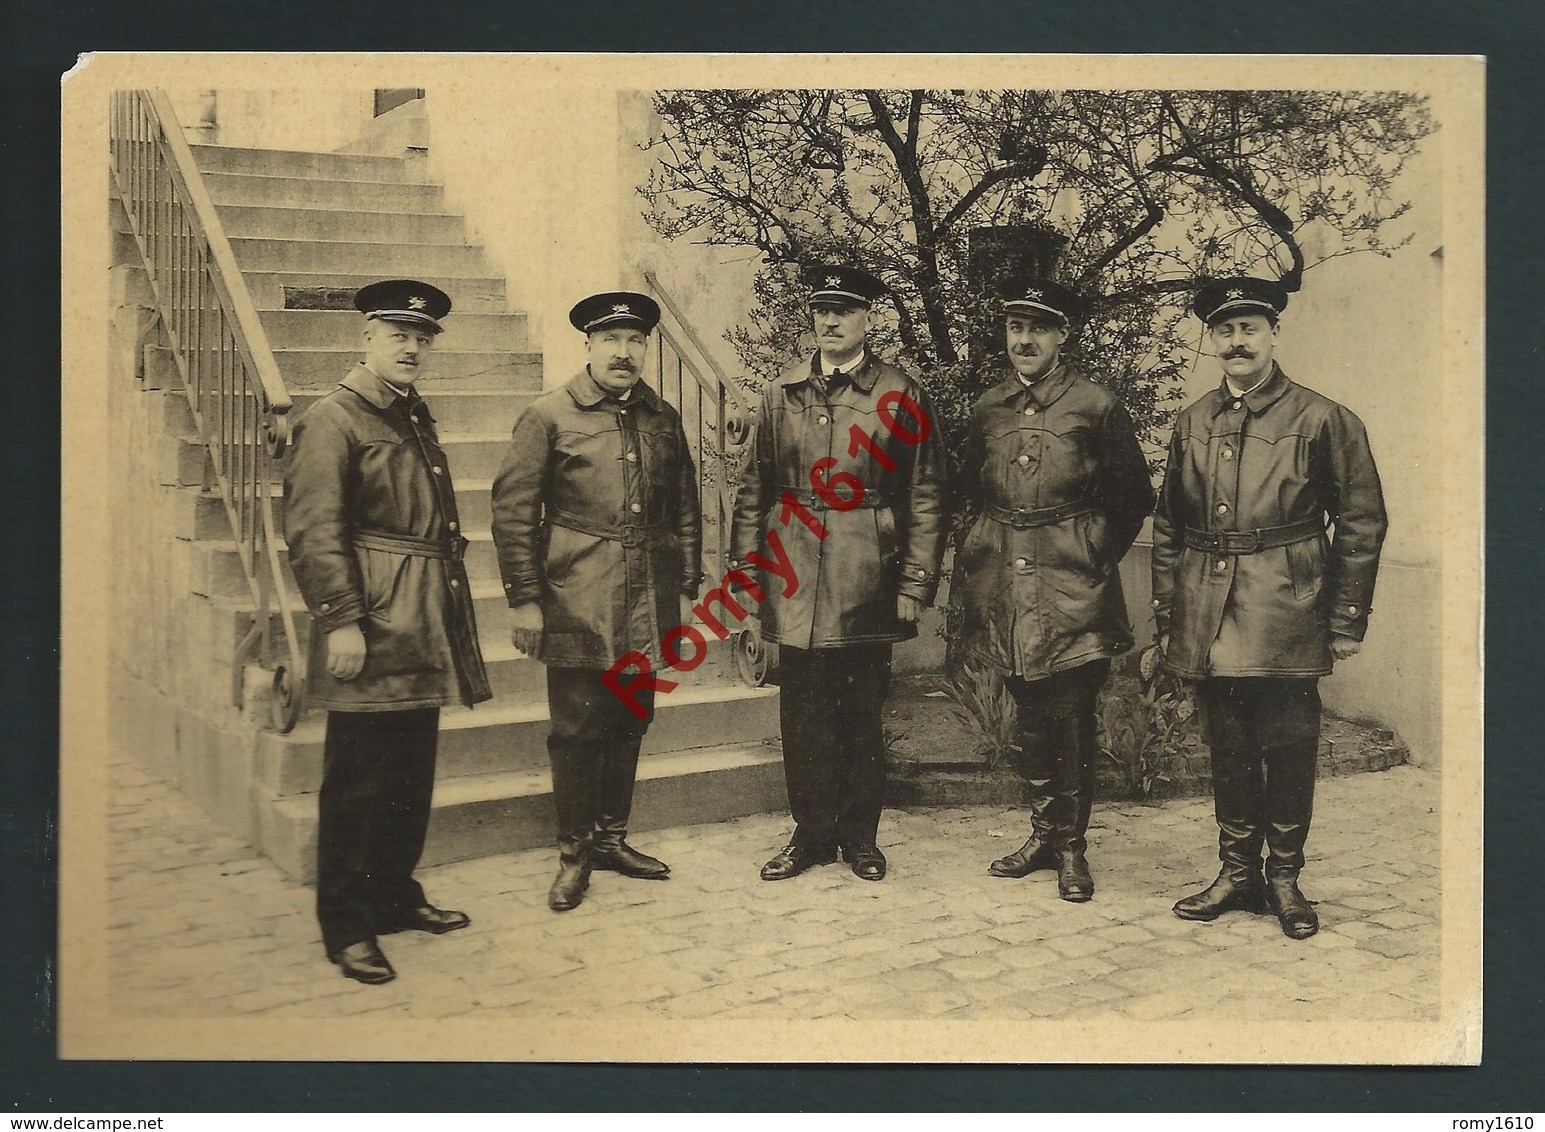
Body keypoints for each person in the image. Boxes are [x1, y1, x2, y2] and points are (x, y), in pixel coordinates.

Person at [1153, 276, 1388, 940]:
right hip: (1208, 608)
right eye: (1224, 331)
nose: (1236, 342)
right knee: (1226, 745)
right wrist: (1169, 609)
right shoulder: (1192, 420)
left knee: (1287, 747)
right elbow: (1168, 523)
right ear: (1212, 340)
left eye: (1248, 328)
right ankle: (1236, 874)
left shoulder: (1321, 418)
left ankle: (1283, 879)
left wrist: (1345, 618)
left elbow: (1361, 520)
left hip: (1288, 603)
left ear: (1271, 334)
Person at [285, 279, 491, 985]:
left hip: (421, 616)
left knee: (409, 772)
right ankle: (345, 926)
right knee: (357, 782)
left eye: (422, 335)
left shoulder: (409, 414)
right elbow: (314, 532)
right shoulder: (332, 419)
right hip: (371, 619)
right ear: (364, 338)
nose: (411, 345)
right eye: (397, 332)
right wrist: (341, 620)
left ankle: (393, 897)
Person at [732, 264, 948, 883]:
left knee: (859, 712)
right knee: (800, 714)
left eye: (844, 311)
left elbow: (927, 494)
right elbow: (753, 490)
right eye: (822, 309)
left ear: (868, 320)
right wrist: (747, 575)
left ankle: (861, 837)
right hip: (792, 572)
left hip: (866, 576)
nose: (830, 321)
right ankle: (810, 835)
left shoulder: (900, 395)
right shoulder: (782, 393)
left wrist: (913, 583)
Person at [491, 291, 701, 912]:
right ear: (588, 345)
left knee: (631, 717)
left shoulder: (662, 417)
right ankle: (574, 853)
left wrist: (686, 589)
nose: (624, 352)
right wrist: (526, 599)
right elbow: (512, 513)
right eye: (611, 340)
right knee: (578, 727)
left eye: (635, 341)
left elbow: (684, 510)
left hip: (648, 594)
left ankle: (612, 839)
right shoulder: (549, 415)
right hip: (576, 595)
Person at [957, 275, 1153, 901]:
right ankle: (1043, 833)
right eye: (1016, 327)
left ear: (1063, 335)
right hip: (1006, 586)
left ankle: (1072, 846)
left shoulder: (1096, 406)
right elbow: (969, 488)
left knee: (1070, 716)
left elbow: (1133, 499)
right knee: (1030, 713)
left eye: (1038, 328)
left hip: (1072, 587)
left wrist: (1090, 551)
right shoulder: (988, 408)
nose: (1025, 340)